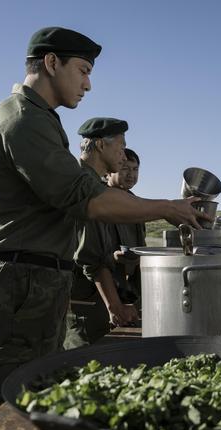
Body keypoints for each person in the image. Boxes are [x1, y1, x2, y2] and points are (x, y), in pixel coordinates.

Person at [0, 26, 208, 422]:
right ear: (51, 62)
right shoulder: (22, 118)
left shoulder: (42, 119)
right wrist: (168, 208)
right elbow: (85, 197)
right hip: (14, 284)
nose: (88, 84)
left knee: (36, 402)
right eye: (83, 70)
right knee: (2, 410)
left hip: (34, 283)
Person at [63, 118, 138, 350]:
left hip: (103, 298)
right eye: (121, 147)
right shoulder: (85, 187)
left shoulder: (91, 184)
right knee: (83, 367)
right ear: (100, 145)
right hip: (86, 302)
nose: (124, 156)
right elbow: (92, 259)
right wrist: (114, 306)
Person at [107, 147, 146, 312]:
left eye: (135, 169)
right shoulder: (96, 200)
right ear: (108, 172)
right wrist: (112, 257)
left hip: (129, 292)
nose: (131, 174)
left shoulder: (135, 204)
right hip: (98, 295)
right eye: (124, 168)